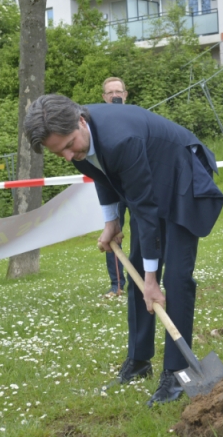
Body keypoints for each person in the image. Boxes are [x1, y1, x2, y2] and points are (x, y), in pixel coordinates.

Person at [23, 95, 223, 405]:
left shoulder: (121, 139)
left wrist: (152, 281)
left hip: (181, 176)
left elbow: (145, 211)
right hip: (149, 180)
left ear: (80, 121)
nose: (68, 156)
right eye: (58, 152)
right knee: (136, 274)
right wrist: (111, 222)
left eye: (69, 145)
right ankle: (139, 360)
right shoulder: (78, 139)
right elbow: (101, 173)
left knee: (176, 278)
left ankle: (177, 371)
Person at [100, 77, 129, 297]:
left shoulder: (136, 117)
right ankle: (117, 285)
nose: (115, 96)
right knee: (113, 233)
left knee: (148, 233)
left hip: (137, 185)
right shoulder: (99, 123)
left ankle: (149, 280)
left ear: (125, 95)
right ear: (104, 97)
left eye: (118, 91)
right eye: (110, 93)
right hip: (113, 186)